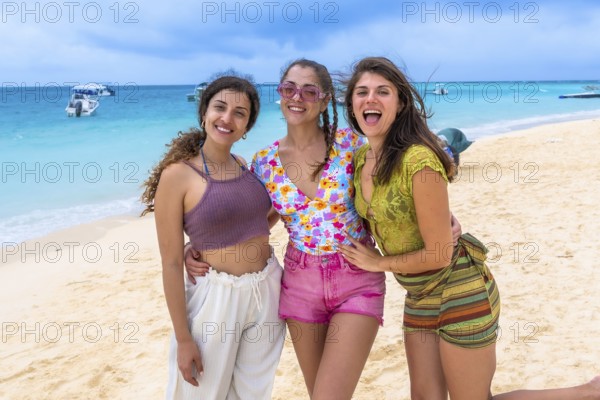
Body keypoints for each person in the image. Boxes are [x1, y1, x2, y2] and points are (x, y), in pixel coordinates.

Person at [185, 59, 461, 399]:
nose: (296, 97)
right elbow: (249, 219)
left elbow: (405, 176)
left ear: (325, 99)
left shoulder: (354, 146)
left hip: (357, 277)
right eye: (289, 88)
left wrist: (443, 221)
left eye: (309, 90)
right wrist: (196, 246)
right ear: (280, 94)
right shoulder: (264, 162)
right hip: (300, 283)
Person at [337, 56, 600, 400]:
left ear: (400, 104)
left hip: (460, 286)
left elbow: (440, 254)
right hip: (418, 294)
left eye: (382, 91)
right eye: (362, 92)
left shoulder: (418, 160)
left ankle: (587, 392)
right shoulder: (359, 160)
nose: (370, 99)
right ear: (352, 105)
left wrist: (378, 263)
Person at [141, 76, 285, 400]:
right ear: (204, 113)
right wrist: (183, 339)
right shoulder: (177, 176)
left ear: (247, 126)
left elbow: (256, 225)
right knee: (200, 393)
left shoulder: (244, 166)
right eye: (220, 107)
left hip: (268, 289)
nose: (227, 118)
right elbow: (172, 262)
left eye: (239, 113)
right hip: (218, 298)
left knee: (253, 393)